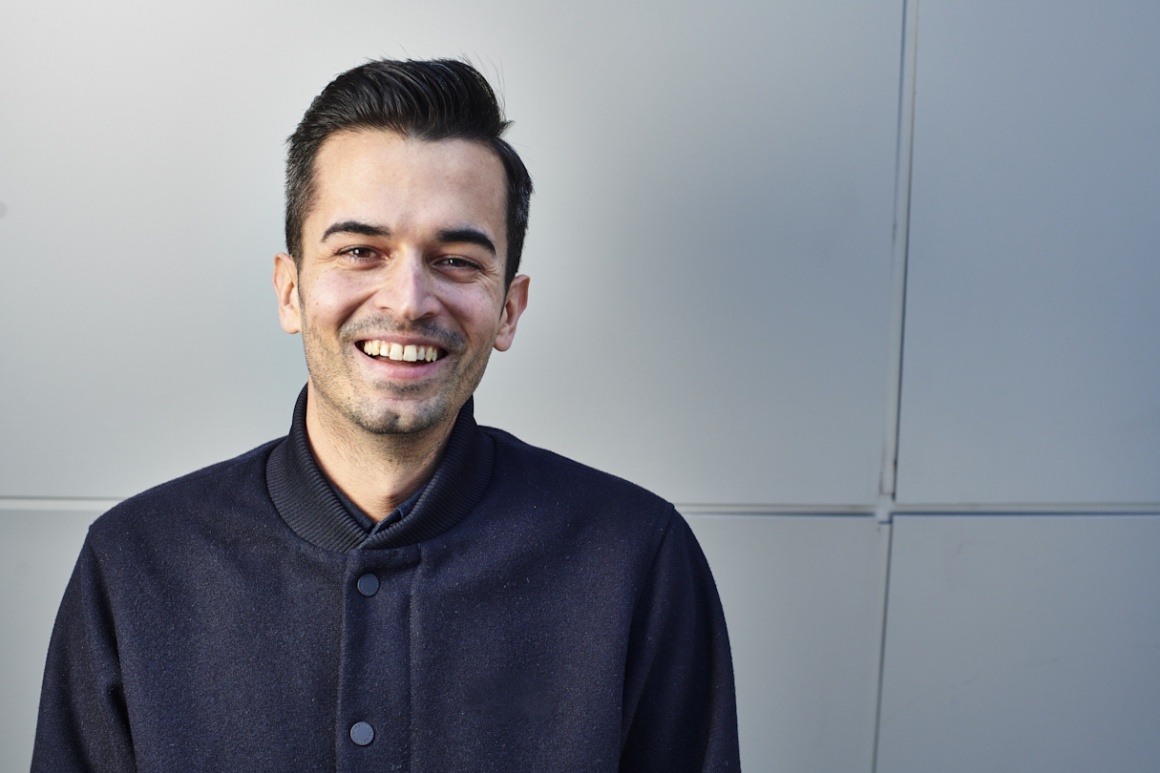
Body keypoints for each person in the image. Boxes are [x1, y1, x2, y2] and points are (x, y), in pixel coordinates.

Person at [32, 58, 739, 772]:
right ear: (290, 290)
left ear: (508, 308)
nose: (407, 300)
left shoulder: (637, 560)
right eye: (361, 250)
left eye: (457, 259)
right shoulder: (135, 565)